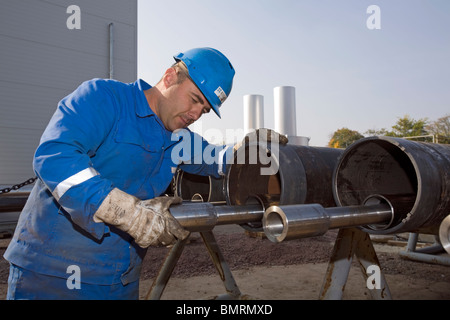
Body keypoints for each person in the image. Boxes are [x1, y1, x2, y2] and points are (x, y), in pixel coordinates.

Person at [4, 47, 235, 300]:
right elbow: (56, 156)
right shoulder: (105, 98)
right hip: (52, 275)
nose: (195, 115)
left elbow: (220, 159)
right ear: (169, 77)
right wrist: (128, 214)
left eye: (203, 110)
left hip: (119, 279)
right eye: (194, 99)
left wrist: (254, 150)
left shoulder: (179, 139)